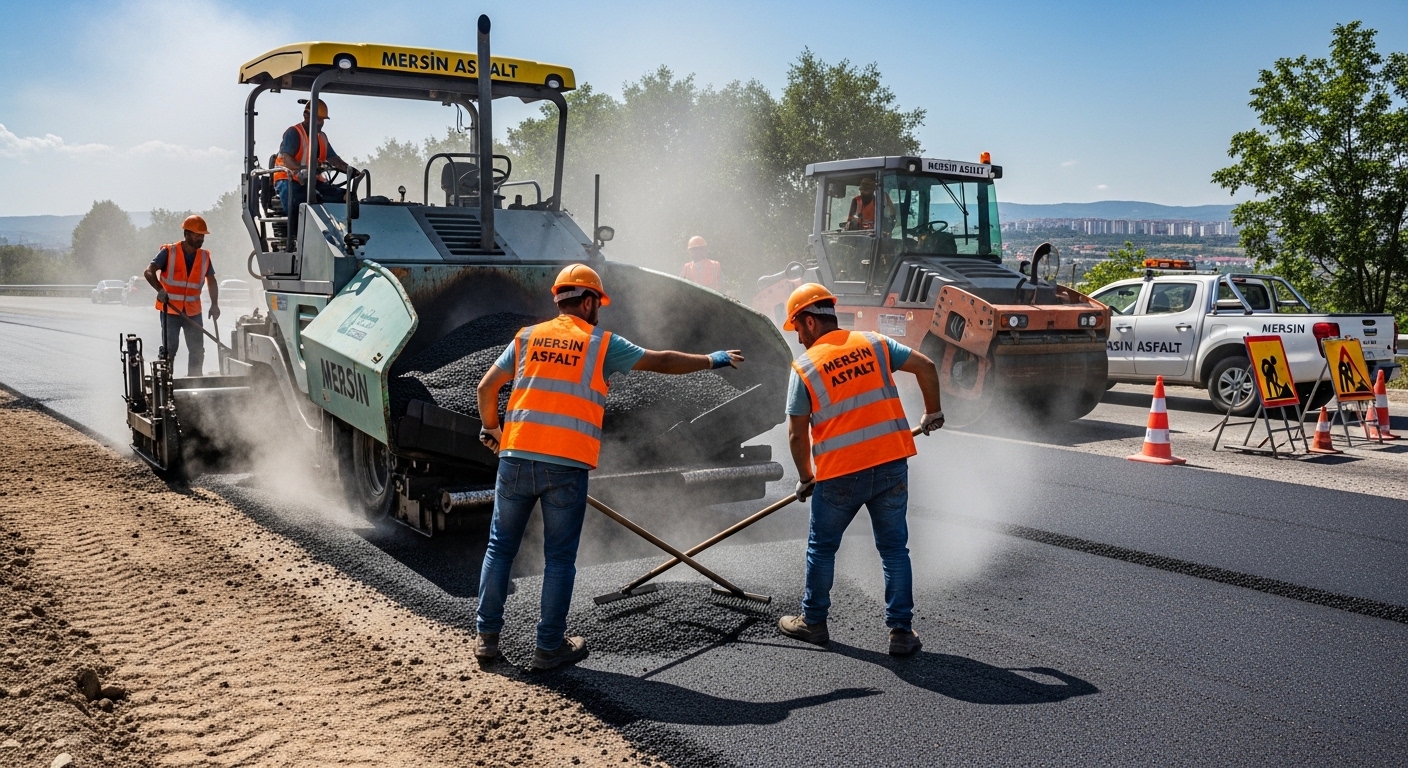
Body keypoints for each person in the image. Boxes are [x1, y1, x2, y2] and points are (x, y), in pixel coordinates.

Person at [473, 264, 746, 670]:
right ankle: (548, 647)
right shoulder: (600, 344)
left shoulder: (526, 337)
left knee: (500, 548)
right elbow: (662, 361)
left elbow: (485, 387)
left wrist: (492, 430)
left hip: (515, 458)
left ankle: (487, 640)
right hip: (565, 466)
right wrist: (712, 359)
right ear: (586, 301)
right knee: (560, 559)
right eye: (597, 303)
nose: (599, 311)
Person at [776, 283, 944, 656]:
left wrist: (806, 477)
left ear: (809, 322)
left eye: (798, 329)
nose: (799, 339)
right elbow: (926, 366)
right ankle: (901, 632)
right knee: (894, 550)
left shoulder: (805, 366)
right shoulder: (874, 342)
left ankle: (813, 622)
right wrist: (933, 411)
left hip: (840, 475)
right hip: (889, 465)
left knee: (822, 548)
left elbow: (796, 434)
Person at [272, 99, 357, 248]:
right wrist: (304, 169)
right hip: (289, 179)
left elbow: (334, 159)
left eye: (322, 120)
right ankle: (296, 240)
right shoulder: (294, 133)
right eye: (317, 119)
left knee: (345, 196)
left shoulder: (322, 138)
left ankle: (343, 236)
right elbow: (287, 159)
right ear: (306, 116)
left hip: (313, 181)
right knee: (299, 200)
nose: (320, 123)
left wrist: (349, 170)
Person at [143, 215, 220, 377]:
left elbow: (211, 280)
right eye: (197, 235)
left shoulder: (204, 256)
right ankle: (165, 385)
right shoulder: (169, 252)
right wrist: (160, 290)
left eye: (202, 235)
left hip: (193, 312)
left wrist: (214, 304)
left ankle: (195, 383)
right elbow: (149, 272)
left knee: (197, 350)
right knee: (170, 350)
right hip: (171, 311)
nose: (200, 238)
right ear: (186, 234)